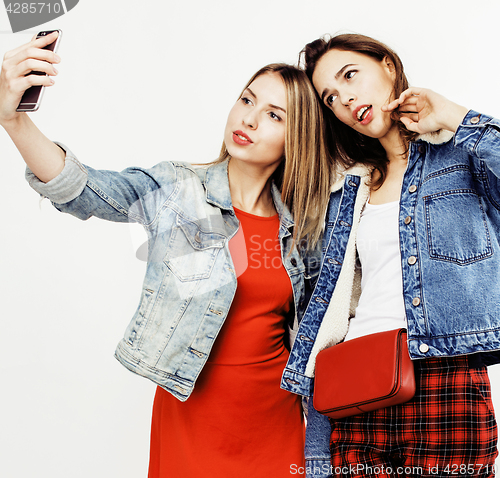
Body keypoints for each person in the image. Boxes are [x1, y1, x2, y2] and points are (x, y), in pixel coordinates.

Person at [0, 32, 333, 477]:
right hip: (192, 415)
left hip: (277, 419)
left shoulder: (303, 226)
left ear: (299, 137)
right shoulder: (179, 190)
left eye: (273, 115)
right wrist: (14, 122)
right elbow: (87, 190)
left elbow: (320, 332)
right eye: (247, 100)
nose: (249, 119)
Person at [279, 33, 500, 477]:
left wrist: (454, 116)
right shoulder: (350, 187)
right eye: (332, 97)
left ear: (386, 65)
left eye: (350, 75)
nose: (346, 99)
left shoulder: (460, 154)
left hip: (443, 375)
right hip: (356, 380)